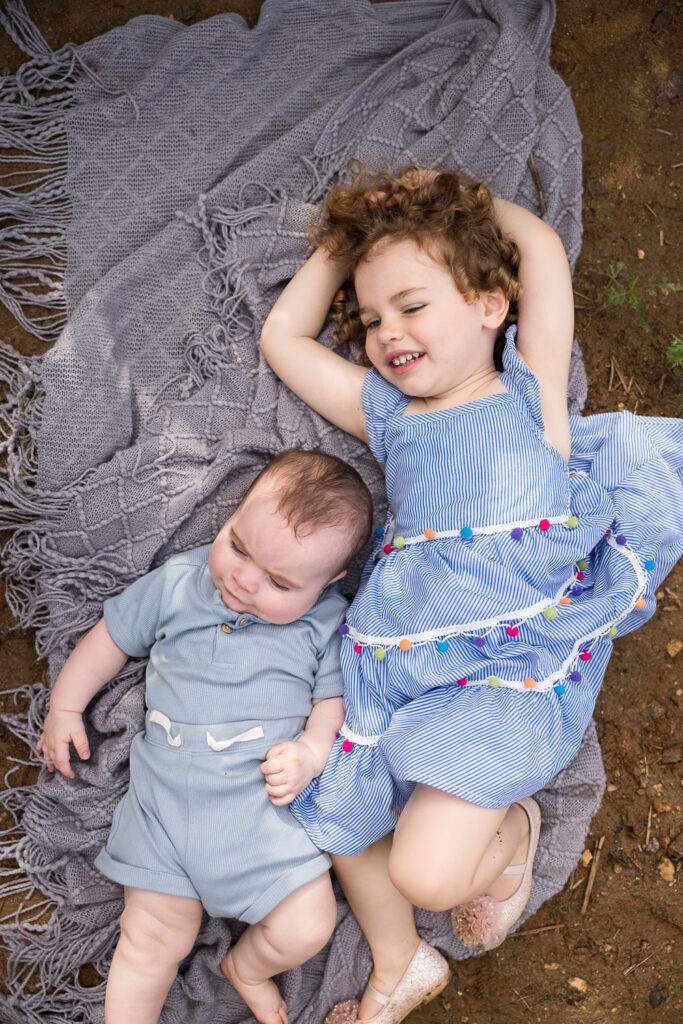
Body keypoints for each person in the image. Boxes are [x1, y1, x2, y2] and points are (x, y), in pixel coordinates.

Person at [259, 166, 683, 1024]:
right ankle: (396, 965)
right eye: (372, 317)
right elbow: (283, 340)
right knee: (339, 818)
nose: (386, 333)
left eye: (412, 307)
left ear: (492, 305)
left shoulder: (531, 389)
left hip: (503, 667)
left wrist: (473, 205)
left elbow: (542, 253)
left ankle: (516, 827)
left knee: (423, 872)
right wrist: (340, 249)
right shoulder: (388, 414)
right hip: (401, 656)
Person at [37, 449, 373, 1024]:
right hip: (164, 804)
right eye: (238, 545)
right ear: (231, 514)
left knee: (309, 924)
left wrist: (310, 754)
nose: (243, 580)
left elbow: (332, 704)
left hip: (256, 813)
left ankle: (246, 966)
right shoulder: (178, 583)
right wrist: (66, 706)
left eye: (279, 581)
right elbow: (109, 638)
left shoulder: (327, 624)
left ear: (328, 583)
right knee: (147, 940)